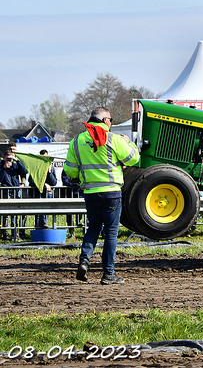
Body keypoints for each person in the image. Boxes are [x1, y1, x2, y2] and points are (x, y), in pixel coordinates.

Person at [64, 107, 140, 285]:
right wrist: (129, 143)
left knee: (93, 229)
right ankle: (108, 274)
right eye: (111, 120)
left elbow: (70, 170)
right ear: (105, 120)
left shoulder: (77, 141)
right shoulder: (113, 139)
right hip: (111, 193)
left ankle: (84, 261)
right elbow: (133, 159)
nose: (111, 123)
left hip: (90, 193)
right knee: (111, 233)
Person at [0, 150, 28, 240]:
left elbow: (24, 172)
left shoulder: (15, 166)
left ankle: (15, 233)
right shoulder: (1, 167)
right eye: (7, 159)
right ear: (4, 158)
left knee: (16, 214)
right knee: (6, 215)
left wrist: (17, 161)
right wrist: (4, 168)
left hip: (16, 191)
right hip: (6, 192)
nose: (9, 161)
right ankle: (5, 233)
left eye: (10, 159)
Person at [30, 149, 58, 229]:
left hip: (47, 194)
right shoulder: (36, 167)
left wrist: (49, 172)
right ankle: (37, 227)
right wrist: (43, 184)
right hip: (38, 193)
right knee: (38, 212)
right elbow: (31, 181)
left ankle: (44, 224)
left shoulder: (51, 167)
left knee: (46, 210)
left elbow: (54, 182)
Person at [61, 169, 83, 238]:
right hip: (69, 195)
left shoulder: (80, 168)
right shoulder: (65, 169)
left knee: (81, 212)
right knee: (69, 215)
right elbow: (65, 182)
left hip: (80, 194)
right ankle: (72, 232)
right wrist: (76, 184)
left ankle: (79, 223)